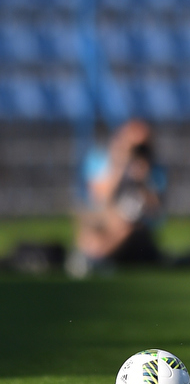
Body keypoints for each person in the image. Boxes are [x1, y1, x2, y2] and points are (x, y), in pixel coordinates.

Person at [68, 119, 165, 278]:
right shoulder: (99, 158)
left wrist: (144, 180)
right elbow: (98, 199)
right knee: (91, 223)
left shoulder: (154, 169)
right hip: (104, 216)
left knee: (124, 226)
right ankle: (93, 256)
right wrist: (119, 166)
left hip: (136, 225)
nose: (137, 151)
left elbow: (156, 212)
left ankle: (94, 259)